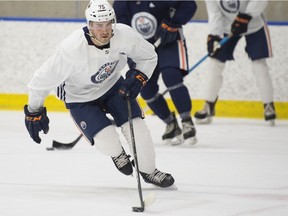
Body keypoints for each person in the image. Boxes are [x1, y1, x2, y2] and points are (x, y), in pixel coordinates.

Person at [23, 0, 175, 188]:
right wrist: (33, 110)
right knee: (107, 138)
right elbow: (40, 80)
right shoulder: (71, 49)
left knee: (138, 129)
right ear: (89, 25)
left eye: (108, 24)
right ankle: (117, 154)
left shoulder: (124, 34)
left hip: (113, 87)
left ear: (114, 22)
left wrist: (139, 76)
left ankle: (149, 171)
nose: (104, 30)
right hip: (80, 98)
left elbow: (148, 56)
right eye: (98, 25)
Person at [113, 0, 198, 145]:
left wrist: (173, 23)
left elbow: (189, 4)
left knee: (171, 76)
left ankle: (187, 121)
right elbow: (123, 32)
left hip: (169, 42)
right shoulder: (121, 3)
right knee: (146, 89)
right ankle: (171, 123)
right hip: (142, 49)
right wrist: (133, 56)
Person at [194, 0, 277, 126]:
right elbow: (214, 13)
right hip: (228, 27)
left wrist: (246, 15)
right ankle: (209, 105)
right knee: (215, 62)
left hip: (254, 25)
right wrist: (214, 35)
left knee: (259, 64)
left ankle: (269, 105)